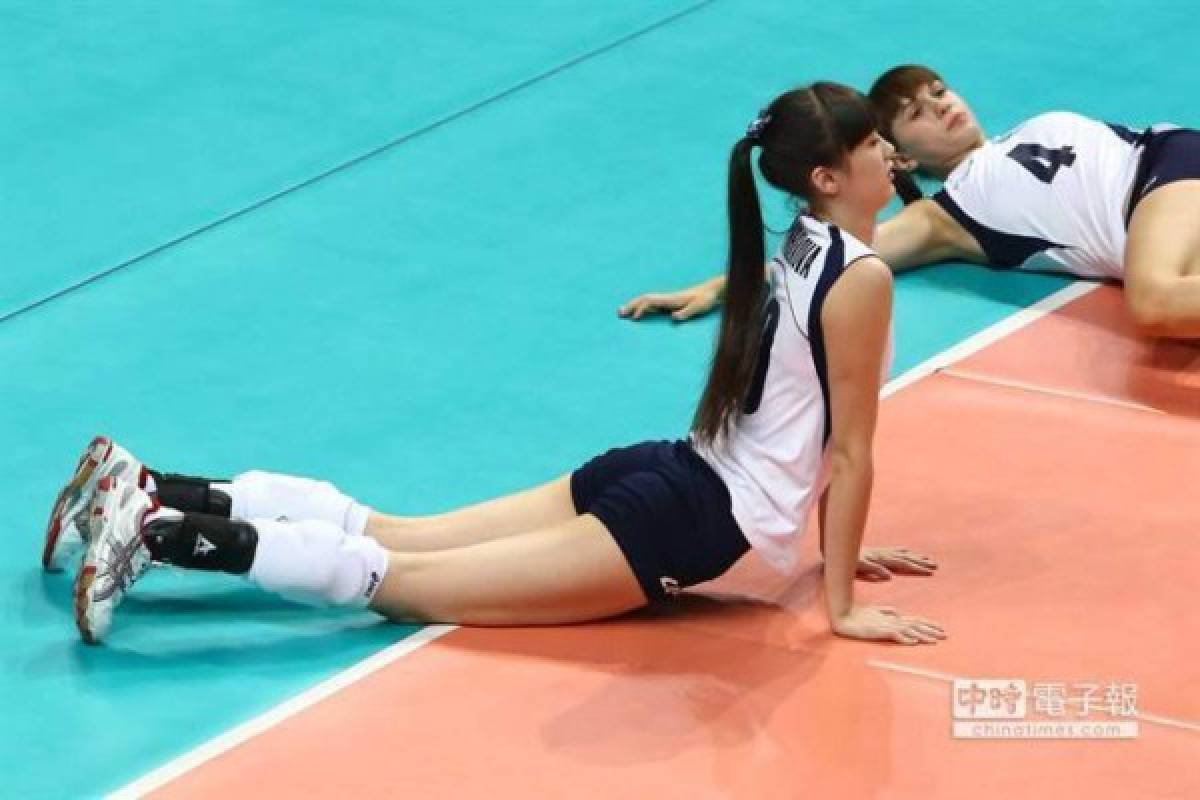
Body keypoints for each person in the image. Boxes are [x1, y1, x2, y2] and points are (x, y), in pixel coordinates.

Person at [48, 83, 944, 648]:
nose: (889, 155)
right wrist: (841, 604)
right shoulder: (861, 278)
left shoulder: (796, 241)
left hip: (662, 470)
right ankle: (156, 532)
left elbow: (806, 419)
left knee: (393, 532)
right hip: (686, 521)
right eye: (872, 145)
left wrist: (842, 544)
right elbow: (852, 448)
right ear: (827, 176)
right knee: (398, 586)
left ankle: (150, 480)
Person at [620, 65, 1200, 339]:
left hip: (1162, 169)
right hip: (1162, 222)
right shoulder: (946, 216)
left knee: (1152, 302)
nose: (941, 105)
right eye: (916, 112)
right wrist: (724, 286)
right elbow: (829, 253)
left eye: (939, 91)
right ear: (901, 157)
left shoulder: (1034, 125)